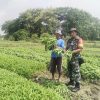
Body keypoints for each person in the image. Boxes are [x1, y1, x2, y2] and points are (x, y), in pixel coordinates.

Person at [66, 28, 83, 92]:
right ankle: (71, 82)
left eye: (73, 32)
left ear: (76, 32)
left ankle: (77, 86)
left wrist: (72, 52)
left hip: (75, 58)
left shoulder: (79, 39)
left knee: (76, 71)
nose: (71, 33)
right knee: (70, 69)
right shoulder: (69, 40)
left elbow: (80, 48)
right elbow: (66, 48)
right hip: (69, 58)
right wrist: (64, 51)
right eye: (71, 32)